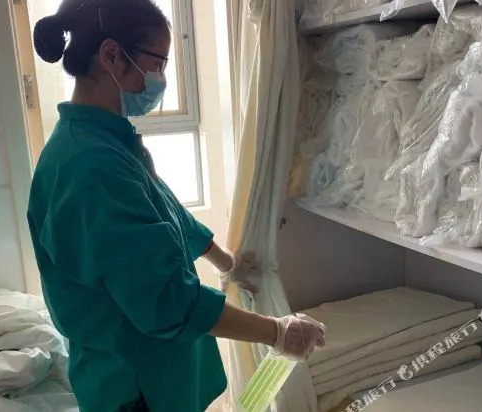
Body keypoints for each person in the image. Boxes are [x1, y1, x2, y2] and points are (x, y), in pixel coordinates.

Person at [27, 1, 326, 411]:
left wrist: (228, 263)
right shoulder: (90, 168)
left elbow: (164, 211)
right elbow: (166, 302)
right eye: (157, 64)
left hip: (151, 373)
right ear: (112, 55)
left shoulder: (105, 142)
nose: (161, 79)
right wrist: (277, 332)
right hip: (136, 388)